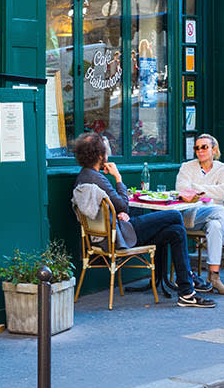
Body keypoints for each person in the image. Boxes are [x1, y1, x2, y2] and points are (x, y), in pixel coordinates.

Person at [70, 132, 215, 308]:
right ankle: (188, 281)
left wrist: (118, 213)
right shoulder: (99, 179)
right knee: (175, 216)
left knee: (176, 231)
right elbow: (124, 205)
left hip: (106, 237)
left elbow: (112, 208)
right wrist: (118, 178)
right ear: (100, 156)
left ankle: (186, 292)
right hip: (120, 237)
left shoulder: (83, 177)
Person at [176, 134, 224, 295]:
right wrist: (206, 191)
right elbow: (182, 190)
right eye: (197, 147)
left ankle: (214, 277)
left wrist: (196, 188)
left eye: (204, 147)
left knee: (216, 225)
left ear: (214, 150)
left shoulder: (223, 169)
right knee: (222, 211)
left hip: (213, 217)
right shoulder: (186, 167)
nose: (200, 151)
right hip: (191, 215)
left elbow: (223, 193)